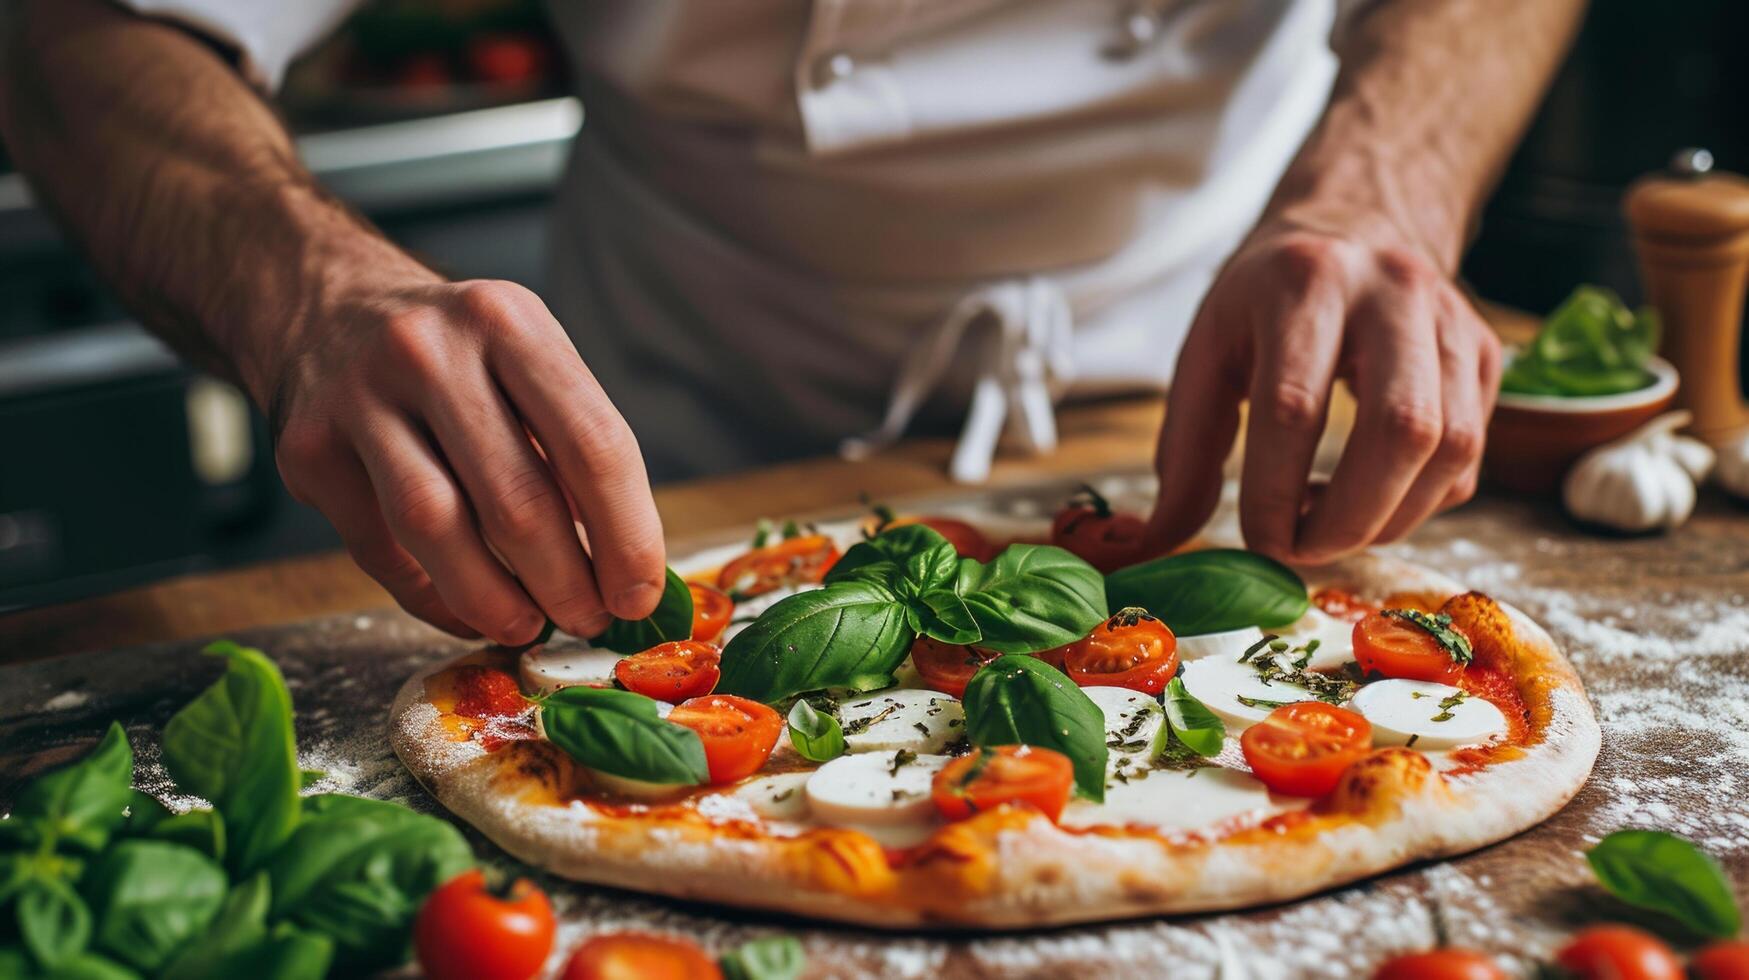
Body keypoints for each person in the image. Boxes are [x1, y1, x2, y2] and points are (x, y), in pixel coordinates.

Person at [0, 0, 1584, 647]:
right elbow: (72, 34)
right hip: (641, 440)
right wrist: (308, 288)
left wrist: (1381, 185)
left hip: (1216, 376)